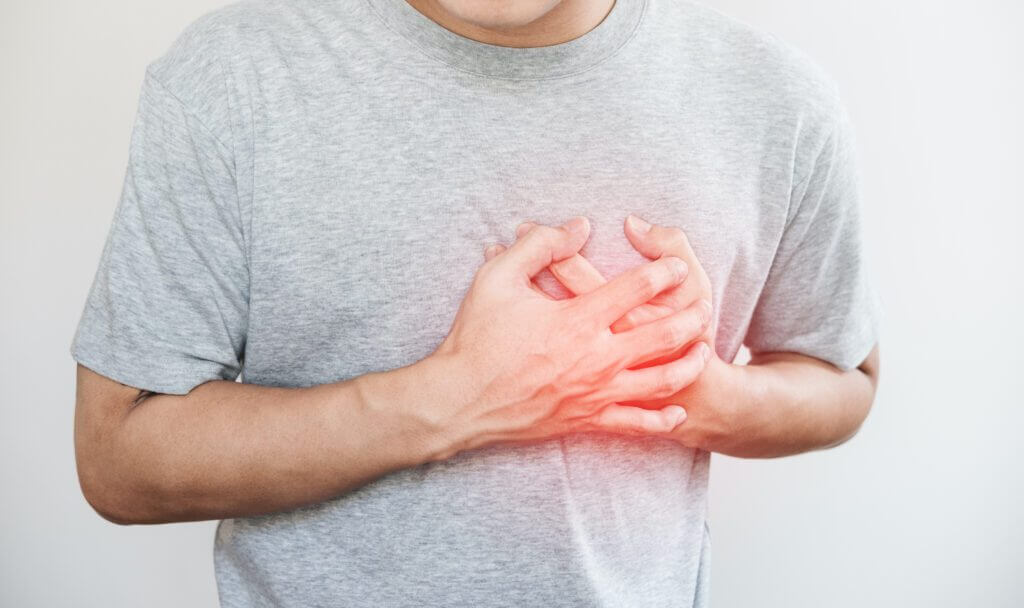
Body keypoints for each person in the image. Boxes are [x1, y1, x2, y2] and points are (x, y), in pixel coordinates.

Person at [69, 0, 882, 605]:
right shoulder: (231, 78)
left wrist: (691, 393)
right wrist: (450, 403)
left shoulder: (779, 102)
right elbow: (118, 462)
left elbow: (843, 382)